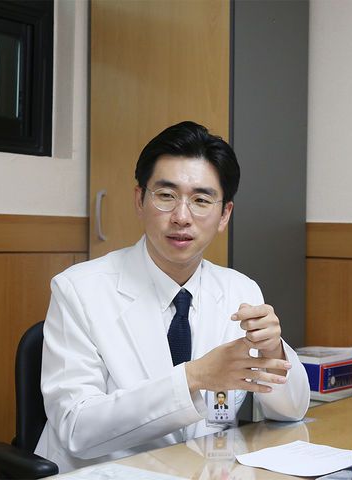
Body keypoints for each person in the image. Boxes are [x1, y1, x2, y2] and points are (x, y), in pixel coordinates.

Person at [35, 121, 310, 471]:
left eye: (201, 200)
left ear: (224, 214)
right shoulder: (78, 289)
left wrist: (273, 351)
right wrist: (194, 377)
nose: (181, 217)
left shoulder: (240, 291)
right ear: (140, 200)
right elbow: (76, 428)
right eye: (166, 196)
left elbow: (291, 413)